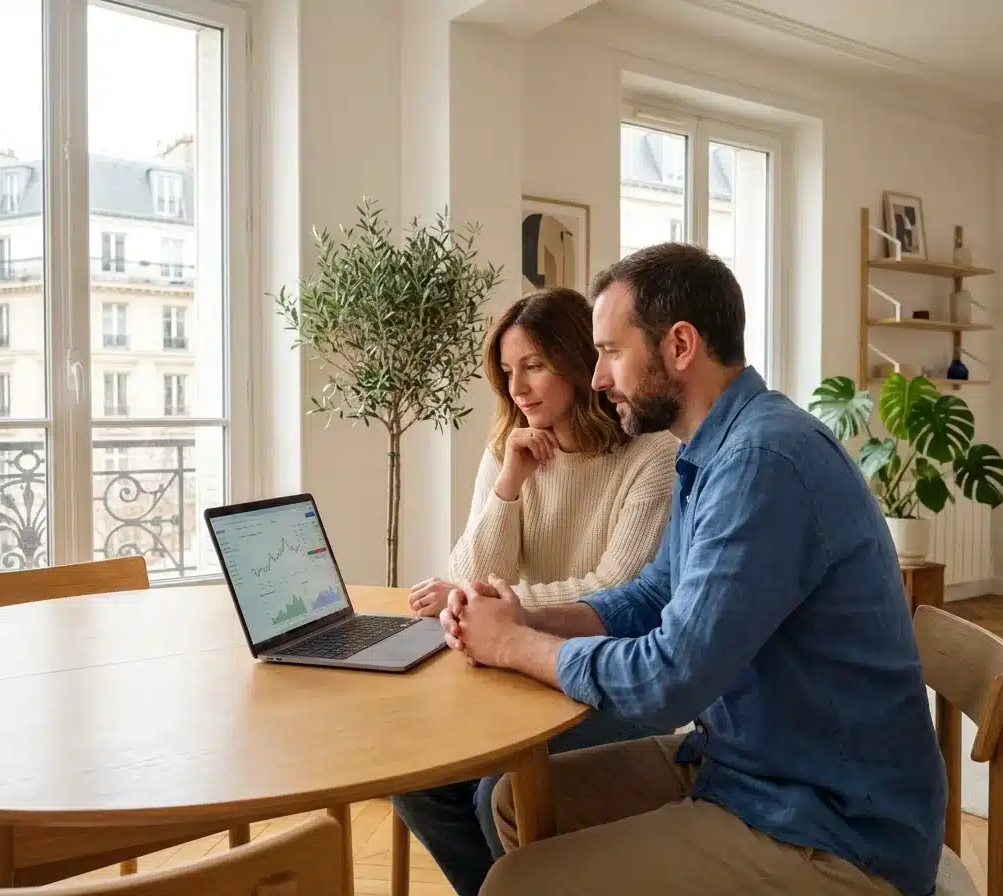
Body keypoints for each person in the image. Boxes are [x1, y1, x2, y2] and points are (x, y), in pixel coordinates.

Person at [441, 244, 948, 896]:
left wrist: (516, 643)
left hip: (833, 826)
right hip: (742, 768)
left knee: (517, 884)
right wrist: (528, 615)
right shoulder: (712, 448)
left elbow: (669, 679)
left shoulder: (765, 461)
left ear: (680, 345)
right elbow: (656, 592)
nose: (597, 377)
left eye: (611, 352)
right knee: (514, 799)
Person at [394, 286, 679, 896]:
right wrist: (510, 482)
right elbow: (470, 567)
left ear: (581, 363)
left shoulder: (651, 456)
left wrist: (510, 611)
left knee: (491, 794)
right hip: (513, 670)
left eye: (534, 366)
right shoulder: (509, 448)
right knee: (412, 777)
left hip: (604, 679)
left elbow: (618, 588)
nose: (517, 387)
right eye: (506, 371)